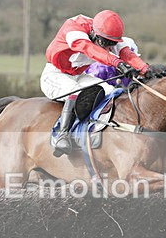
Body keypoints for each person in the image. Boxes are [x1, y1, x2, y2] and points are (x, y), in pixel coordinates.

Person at [41, 10, 150, 156]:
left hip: (79, 76)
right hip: (54, 75)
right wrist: (117, 63)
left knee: (110, 91)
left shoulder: (106, 34)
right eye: (106, 43)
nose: (109, 48)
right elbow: (90, 49)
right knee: (76, 91)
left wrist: (145, 69)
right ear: (94, 33)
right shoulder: (74, 28)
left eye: (112, 44)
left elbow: (126, 53)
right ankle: (62, 135)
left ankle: (100, 131)